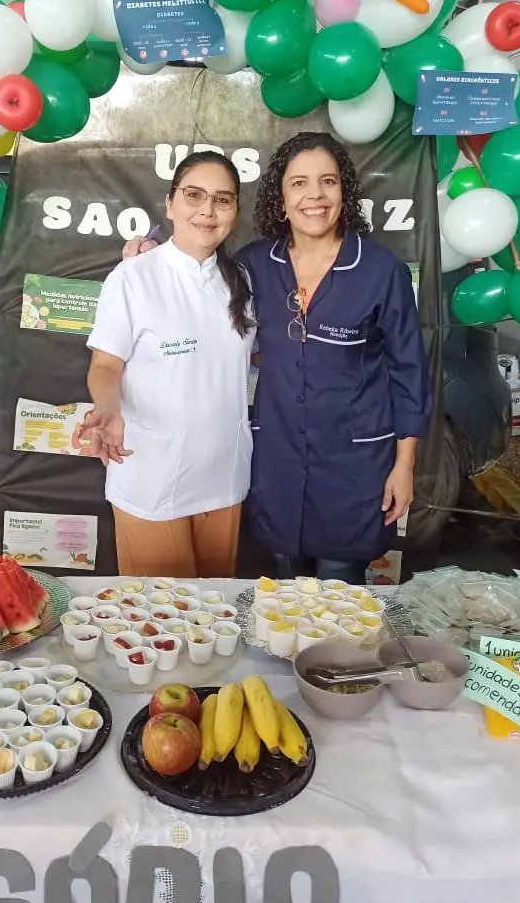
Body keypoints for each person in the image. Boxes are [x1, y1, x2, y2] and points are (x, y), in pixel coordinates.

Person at [124, 131, 432, 583]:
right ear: (281, 198)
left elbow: (410, 374)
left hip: (355, 466)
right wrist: (147, 259)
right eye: (299, 183)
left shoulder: (381, 271)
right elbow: (191, 282)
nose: (315, 195)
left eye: (328, 182)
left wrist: (404, 466)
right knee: (284, 583)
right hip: (278, 458)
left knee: (340, 590)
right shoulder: (253, 265)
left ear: (344, 192)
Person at [83, 151, 255, 577]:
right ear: (170, 204)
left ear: (235, 211)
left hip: (223, 476)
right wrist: (108, 408)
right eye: (194, 195)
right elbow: (105, 365)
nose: (207, 210)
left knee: (214, 611)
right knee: (158, 614)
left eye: (222, 199)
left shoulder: (243, 281)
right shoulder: (133, 277)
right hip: (152, 476)